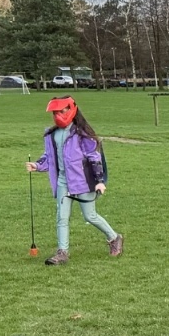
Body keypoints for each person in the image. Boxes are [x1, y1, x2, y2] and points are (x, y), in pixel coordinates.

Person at [26, 97, 123, 265]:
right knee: (61, 217)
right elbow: (49, 157)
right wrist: (37, 165)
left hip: (83, 182)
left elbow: (94, 157)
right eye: (55, 112)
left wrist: (99, 181)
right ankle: (62, 252)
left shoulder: (82, 134)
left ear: (71, 110)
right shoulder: (52, 134)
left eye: (61, 111)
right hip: (63, 182)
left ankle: (114, 238)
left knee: (90, 216)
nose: (57, 115)